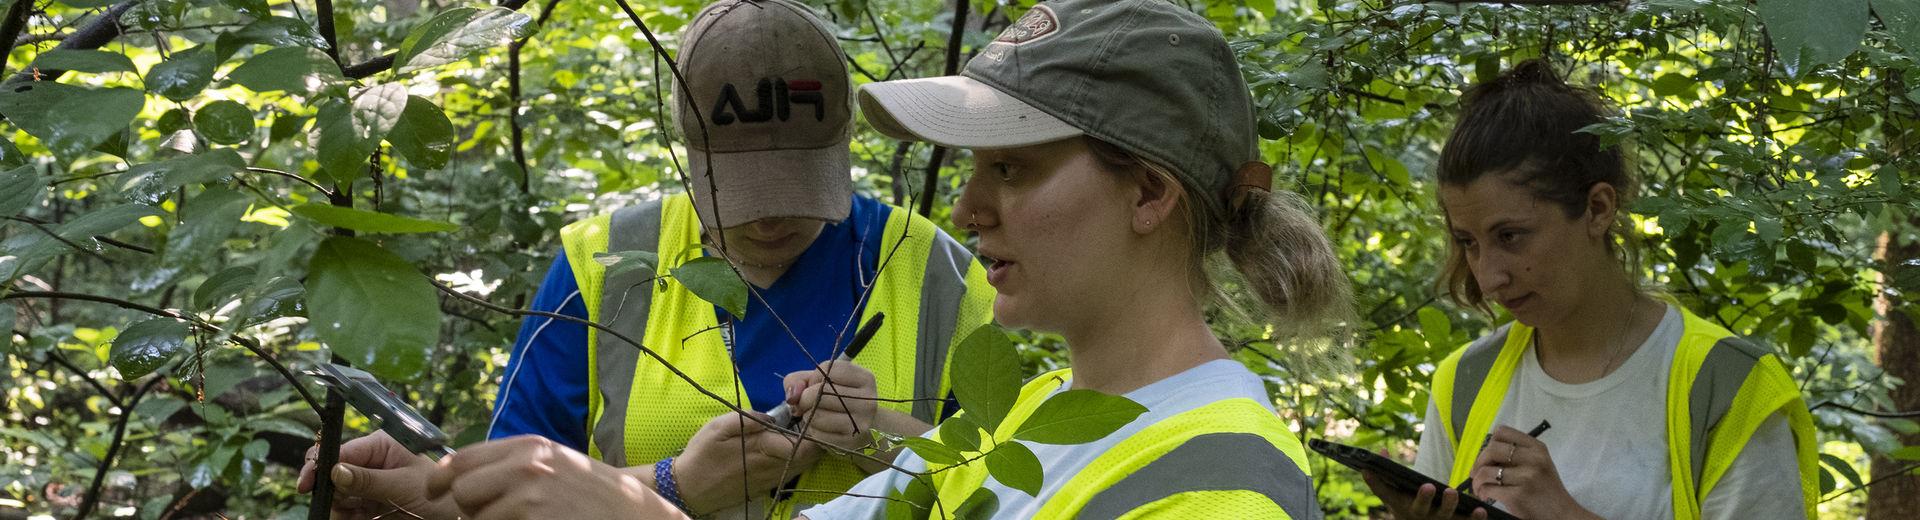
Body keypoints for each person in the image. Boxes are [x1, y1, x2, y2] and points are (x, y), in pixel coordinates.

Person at [409, 0, 1351, 518]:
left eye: (1012, 170)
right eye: (976, 168)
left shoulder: (1219, 487)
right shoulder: (1039, 417)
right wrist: (419, 488)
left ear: (1150, 193)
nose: (970, 208)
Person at [296, 0, 994, 518]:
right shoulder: (604, 264)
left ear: (840, 143)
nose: (770, 215)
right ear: (688, 152)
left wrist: (881, 437)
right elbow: (512, 495)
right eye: (740, 191)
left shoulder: (938, 272)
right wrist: (674, 485)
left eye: (793, 184)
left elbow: (1024, 487)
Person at [1363, 60, 1819, 520]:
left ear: (1597, 209)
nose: (1488, 276)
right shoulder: (1465, 380)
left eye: (1510, 236)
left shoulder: (1728, 386)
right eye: (1469, 242)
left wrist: (1562, 513)